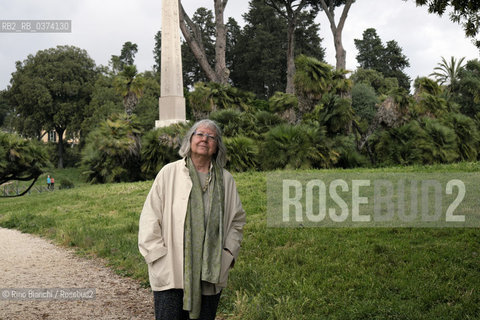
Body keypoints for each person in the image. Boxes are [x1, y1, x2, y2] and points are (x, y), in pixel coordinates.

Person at [138, 119, 246, 320]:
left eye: (211, 136)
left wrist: (229, 253)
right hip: (171, 268)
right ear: (190, 140)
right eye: (200, 134)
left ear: (216, 147)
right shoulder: (169, 173)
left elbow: (237, 221)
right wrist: (155, 254)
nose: (205, 139)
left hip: (210, 272)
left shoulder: (226, 180)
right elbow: (150, 216)